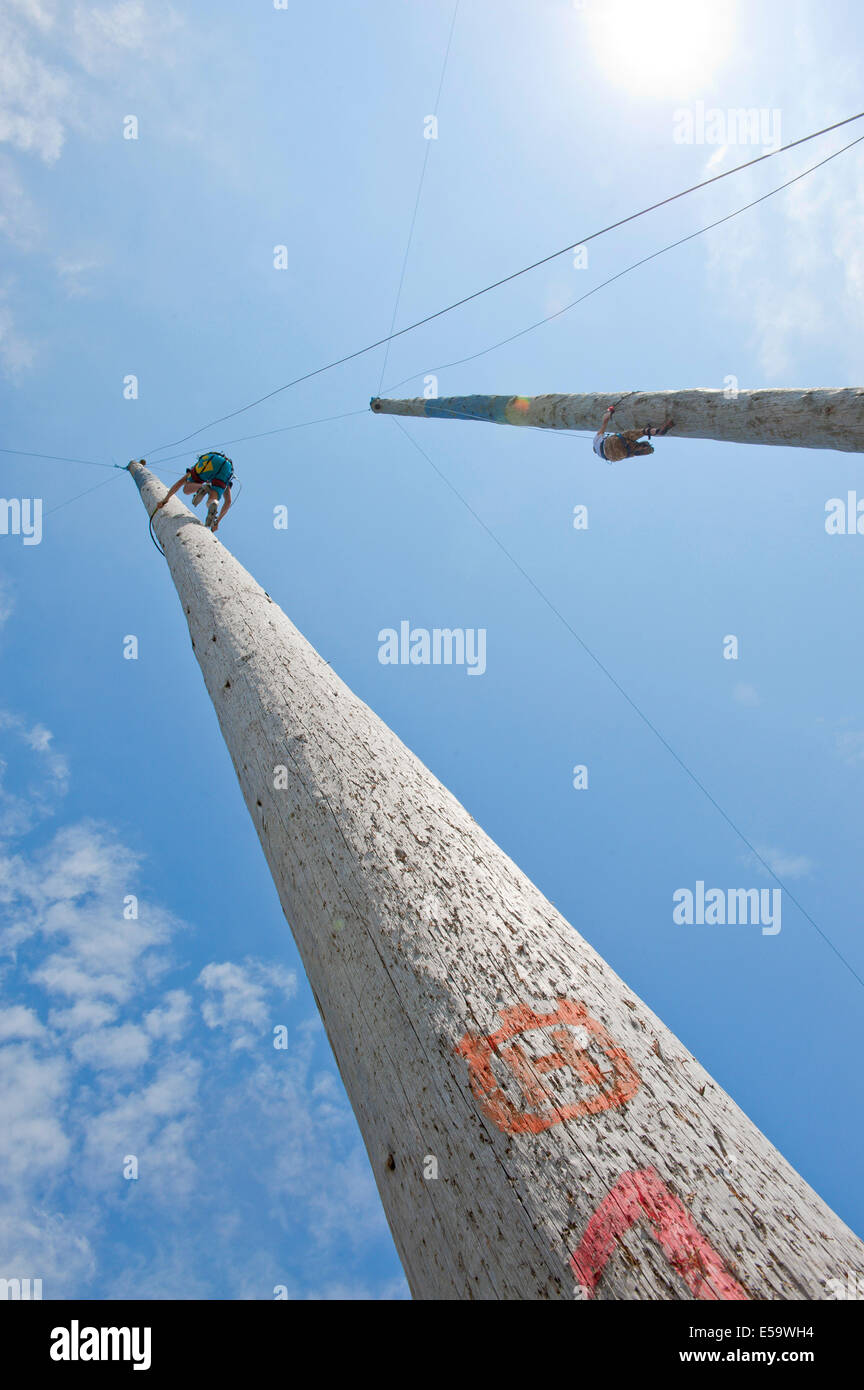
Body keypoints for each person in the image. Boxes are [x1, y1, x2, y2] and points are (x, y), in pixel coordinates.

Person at [151, 451, 235, 531]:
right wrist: (217, 522)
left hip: (209, 460)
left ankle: (202, 487)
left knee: (186, 489)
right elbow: (228, 501)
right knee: (214, 495)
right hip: (226, 467)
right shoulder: (227, 480)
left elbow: (179, 483)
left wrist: (165, 499)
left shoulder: (193, 471)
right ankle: (212, 502)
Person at [593, 405, 673, 464]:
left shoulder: (600, 456)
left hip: (613, 456)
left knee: (630, 450)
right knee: (634, 434)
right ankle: (655, 431)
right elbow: (605, 421)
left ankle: (638, 448)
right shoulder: (596, 440)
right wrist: (610, 410)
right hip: (609, 443)